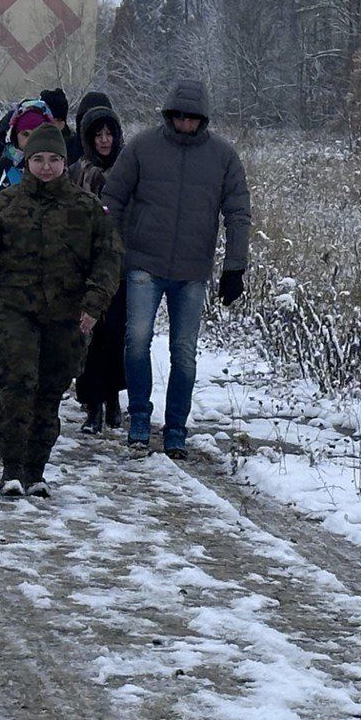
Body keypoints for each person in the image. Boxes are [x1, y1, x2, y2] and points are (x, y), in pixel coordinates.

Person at [0, 127, 121, 497]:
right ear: (27, 162)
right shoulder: (5, 205)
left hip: (64, 315)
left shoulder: (86, 210)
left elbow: (108, 260)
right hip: (11, 311)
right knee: (16, 385)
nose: (46, 167)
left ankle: (36, 470)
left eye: (53, 160)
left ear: (64, 164)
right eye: (38, 159)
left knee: (49, 393)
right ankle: (12, 469)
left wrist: (93, 304)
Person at [101, 78, 250, 458]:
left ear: (203, 119)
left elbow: (238, 213)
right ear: (169, 115)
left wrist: (235, 266)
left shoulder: (223, 156)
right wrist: (114, 249)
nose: (185, 123)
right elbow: (113, 197)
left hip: (192, 269)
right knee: (136, 342)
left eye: (193, 118)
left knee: (184, 351)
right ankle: (138, 417)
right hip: (143, 263)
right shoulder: (142, 147)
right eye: (179, 116)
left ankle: (176, 429)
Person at [0, 100, 54, 454]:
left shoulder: (56, 175)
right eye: (26, 134)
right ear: (15, 136)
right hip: (0, 278)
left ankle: (29, 421)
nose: (31, 141)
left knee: (37, 354)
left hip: (46, 280)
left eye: (38, 135)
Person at [70, 97, 128, 432]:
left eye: (109, 134)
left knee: (116, 335)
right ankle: (92, 404)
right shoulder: (79, 172)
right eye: (98, 134)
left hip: (120, 263)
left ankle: (113, 400)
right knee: (89, 334)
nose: (104, 140)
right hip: (86, 264)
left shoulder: (127, 169)